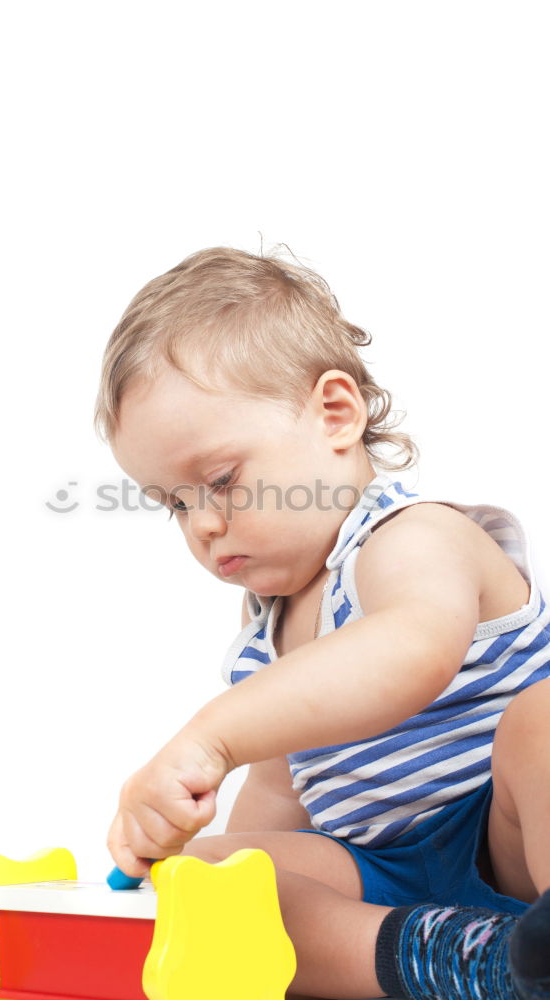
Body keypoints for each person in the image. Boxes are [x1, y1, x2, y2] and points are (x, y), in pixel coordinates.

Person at [93, 245, 550, 1000]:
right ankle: (464, 962)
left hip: (506, 841)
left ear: (334, 415)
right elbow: (281, 793)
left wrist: (209, 739)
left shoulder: (410, 537)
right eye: (174, 504)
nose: (202, 525)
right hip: (385, 874)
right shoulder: (266, 630)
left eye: (219, 482)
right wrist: (208, 839)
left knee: (542, 722)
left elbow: (412, 652)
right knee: (213, 879)